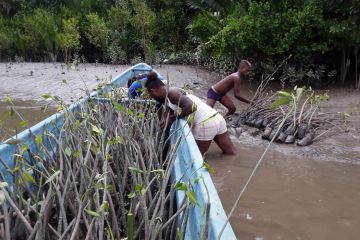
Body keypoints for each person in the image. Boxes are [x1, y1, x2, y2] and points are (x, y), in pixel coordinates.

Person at [144, 71, 235, 156]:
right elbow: (168, 114)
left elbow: (192, 107)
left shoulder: (172, 93)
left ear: (153, 90)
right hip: (216, 117)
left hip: (205, 123)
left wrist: (172, 118)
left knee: (197, 158)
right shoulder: (168, 96)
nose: (152, 98)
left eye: (150, 95)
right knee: (230, 154)